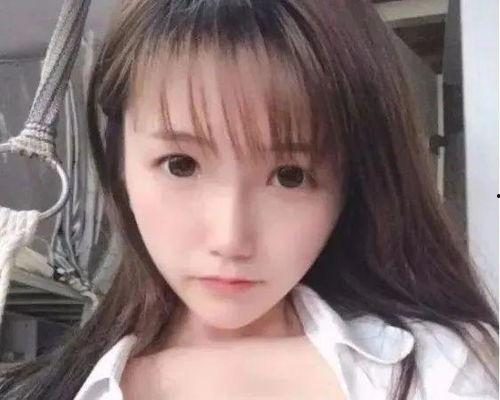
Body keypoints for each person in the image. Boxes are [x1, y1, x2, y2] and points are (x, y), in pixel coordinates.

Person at [0, 0, 498, 399]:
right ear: (120, 162)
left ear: (353, 183)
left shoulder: (440, 369)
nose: (231, 238)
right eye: (181, 164)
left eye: (290, 176)